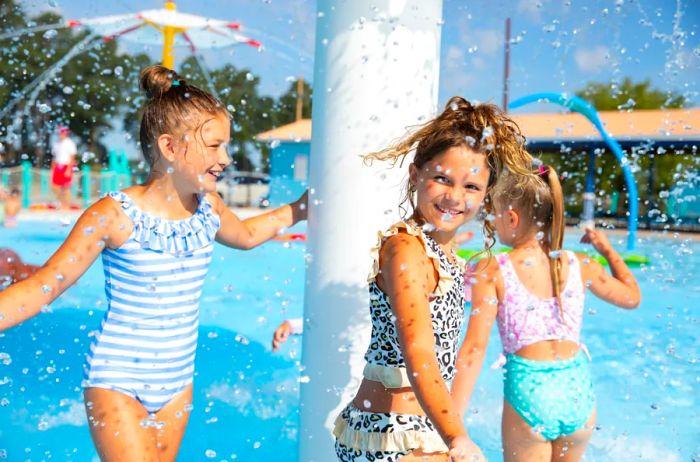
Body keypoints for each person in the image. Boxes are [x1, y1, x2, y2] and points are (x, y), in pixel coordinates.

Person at [0, 65, 307, 462]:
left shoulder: (207, 208)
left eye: (226, 146)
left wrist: (297, 210)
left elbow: (246, 236)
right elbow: (46, 285)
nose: (226, 158)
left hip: (177, 384)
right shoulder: (114, 214)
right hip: (117, 379)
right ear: (169, 147)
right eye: (214, 146)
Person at [332, 96, 534, 461]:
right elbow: (420, 353)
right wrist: (457, 436)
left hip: (413, 430)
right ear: (416, 174)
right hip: (389, 434)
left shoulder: (443, 253)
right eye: (442, 179)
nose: (455, 197)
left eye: (471, 187)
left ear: (487, 193)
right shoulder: (405, 250)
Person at [451, 166, 641, 462]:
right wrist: (606, 250)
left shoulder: (494, 269)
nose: (493, 222)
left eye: (496, 215)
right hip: (578, 392)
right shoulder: (582, 263)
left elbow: (474, 350)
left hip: (531, 392)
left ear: (511, 217)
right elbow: (632, 298)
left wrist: (453, 426)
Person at [50, 126, 77, 209]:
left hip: (66, 166)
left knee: (66, 187)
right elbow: (54, 158)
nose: (60, 135)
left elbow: (72, 157)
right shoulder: (56, 144)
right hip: (58, 166)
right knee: (54, 186)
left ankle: (67, 205)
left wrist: (69, 169)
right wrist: (52, 169)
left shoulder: (70, 143)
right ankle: (62, 202)